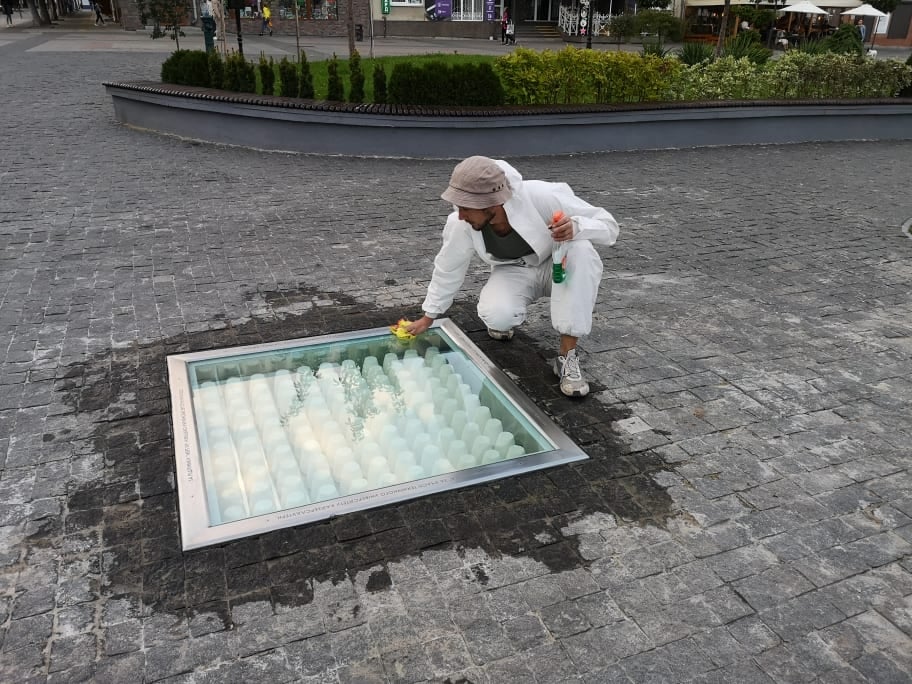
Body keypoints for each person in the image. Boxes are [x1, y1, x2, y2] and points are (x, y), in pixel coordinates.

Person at [401, 156, 619, 398]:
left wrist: (577, 227)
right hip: (513, 270)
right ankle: (507, 319)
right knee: (497, 316)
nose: (460, 214)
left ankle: (566, 358)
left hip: (557, 264)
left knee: (582, 250)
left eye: (465, 207)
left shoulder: (542, 196)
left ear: (491, 203)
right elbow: (448, 268)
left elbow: (609, 226)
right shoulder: (459, 224)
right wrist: (428, 317)